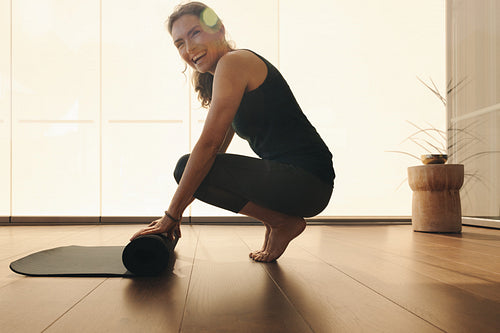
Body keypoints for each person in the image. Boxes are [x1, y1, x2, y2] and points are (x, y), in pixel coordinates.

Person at [131, 1, 335, 262]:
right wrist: (176, 212)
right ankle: (278, 221)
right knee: (194, 170)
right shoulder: (224, 76)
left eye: (195, 33)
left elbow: (208, 145)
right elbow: (213, 156)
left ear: (219, 30)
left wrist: (170, 216)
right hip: (302, 185)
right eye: (179, 42)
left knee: (186, 167)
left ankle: (282, 222)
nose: (189, 47)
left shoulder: (234, 62)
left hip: (307, 182)